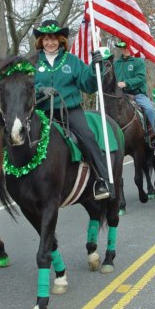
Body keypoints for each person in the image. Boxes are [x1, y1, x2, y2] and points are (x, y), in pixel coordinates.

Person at [32, 19, 112, 200]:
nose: (50, 43)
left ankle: (102, 179)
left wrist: (95, 69)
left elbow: (88, 85)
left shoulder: (72, 61)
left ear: (61, 40)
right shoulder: (32, 62)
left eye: (53, 39)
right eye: (46, 39)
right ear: (41, 41)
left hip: (69, 111)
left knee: (88, 137)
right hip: (41, 112)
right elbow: (24, 87)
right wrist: (39, 91)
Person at [111, 39, 155, 147]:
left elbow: (140, 78)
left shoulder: (138, 61)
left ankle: (154, 135)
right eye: (123, 47)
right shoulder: (116, 63)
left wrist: (126, 83)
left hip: (137, 95)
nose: (125, 49)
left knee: (150, 109)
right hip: (120, 95)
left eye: (127, 47)